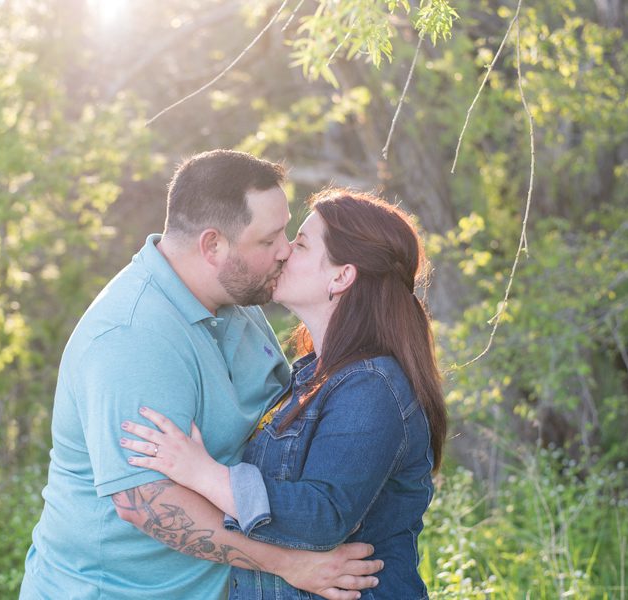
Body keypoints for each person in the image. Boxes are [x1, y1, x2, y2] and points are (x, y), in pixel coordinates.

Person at [20, 152, 382, 600]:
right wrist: (292, 564)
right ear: (213, 246)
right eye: (269, 239)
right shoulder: (132, 337)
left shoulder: (237, 299)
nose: (286, 250)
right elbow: (146, 504)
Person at [120, 188, 449, 599]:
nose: (284, 252)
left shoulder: (372, 386)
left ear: (341, 276)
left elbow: (322, 515)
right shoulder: (312, 376)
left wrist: (203, 473)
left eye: (301, 243)